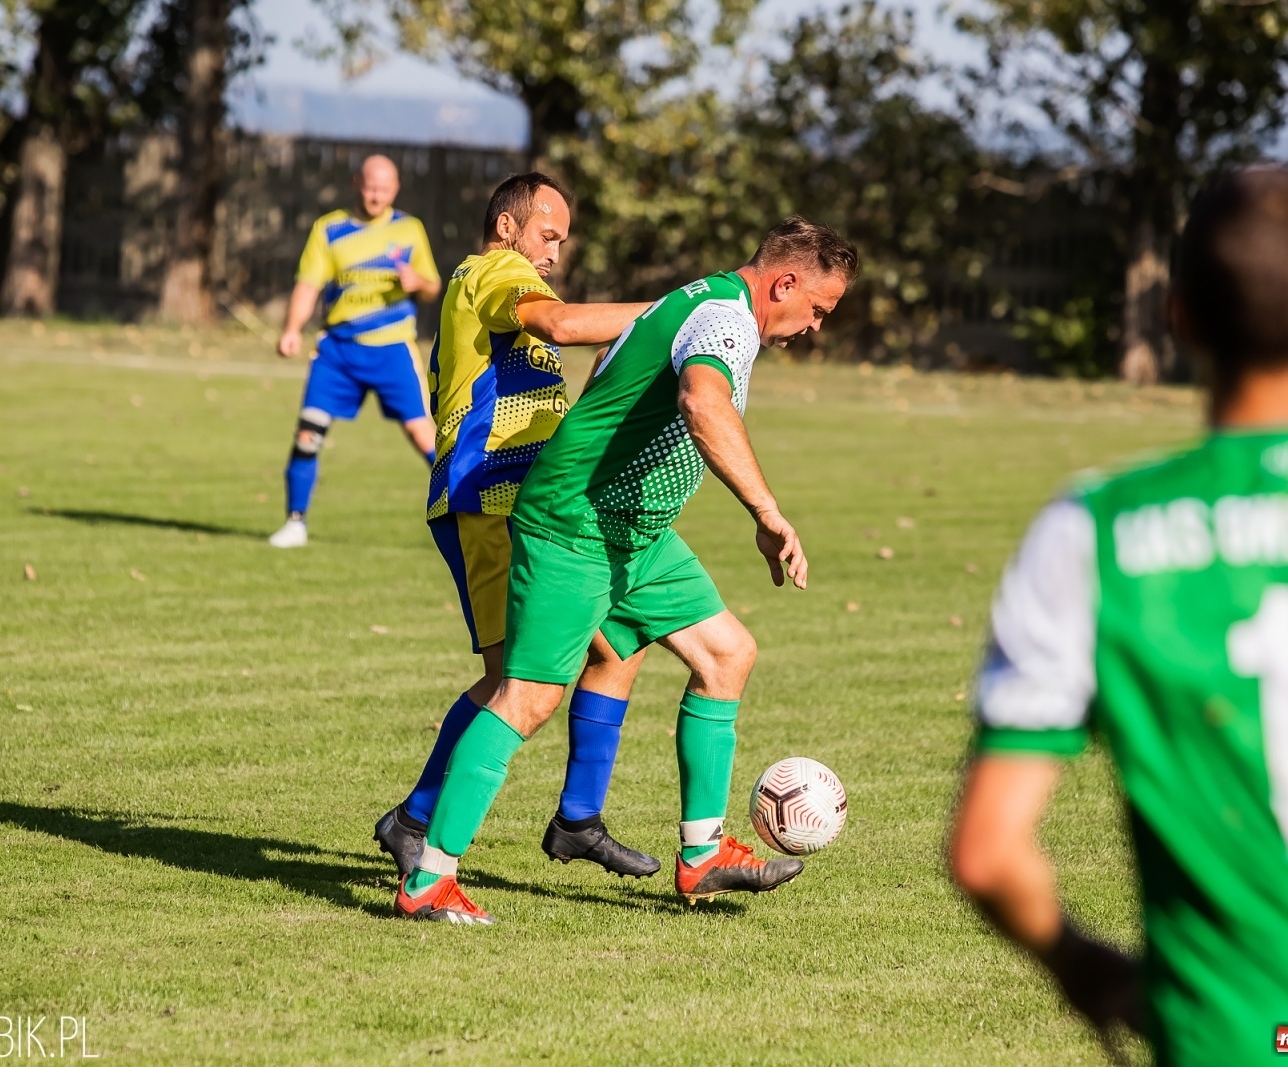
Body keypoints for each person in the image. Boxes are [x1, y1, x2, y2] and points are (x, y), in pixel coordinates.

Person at [949, 167, 1288, 1066]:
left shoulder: (1094, 532)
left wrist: (1085, 969)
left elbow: (988, 853)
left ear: (1181, 318)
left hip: (1230, 1034)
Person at [394, 216, 860, 924]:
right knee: (527, 697)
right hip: (575, 523)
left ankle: (702, 856)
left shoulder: (710, 302)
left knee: (727, 653)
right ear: (785, 282)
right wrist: (767, 511)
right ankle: (429, 877)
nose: (816, 325)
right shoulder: (726, 323)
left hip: (634, 530)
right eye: (819, 308)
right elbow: (702, 403)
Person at [375, 172, 662, 881]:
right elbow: (559, 326)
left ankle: (579, 820)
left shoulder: (519, 286)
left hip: (538, 509)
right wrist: (670, 312)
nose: (553, 254)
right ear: (508, 227)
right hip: (487, 498)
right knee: (513, 680)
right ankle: (414, 820)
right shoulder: (492, 271)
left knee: (618, 645)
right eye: (547, 234)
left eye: (561, 241)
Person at [270, 154, 442, 549]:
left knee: (423, 436)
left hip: (392, 349)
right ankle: (295, 522)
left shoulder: (409, 229)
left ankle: (466, 514)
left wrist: (417, 281)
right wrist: (292, 329)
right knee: (308, 433)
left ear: (395, 188)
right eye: (370, 186)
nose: (376, 195)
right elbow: (308, 285)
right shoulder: (329, 230)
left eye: (384, 188)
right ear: (356, 183)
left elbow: (433, 287)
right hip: (339, 353)